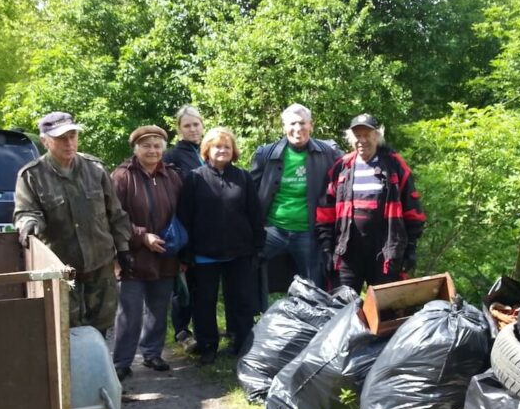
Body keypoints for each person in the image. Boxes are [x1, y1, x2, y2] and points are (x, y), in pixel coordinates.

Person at [14, 111, 132, 333]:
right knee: (66, 332)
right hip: (61, 271)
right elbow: (25, 212)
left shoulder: (95, 169)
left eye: (72, 136)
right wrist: (29, 223)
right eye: (61, 138)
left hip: (100, 266)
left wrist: (124, 249)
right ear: (45, 141)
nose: (69, 143)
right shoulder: (31, 176)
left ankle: (96, 368)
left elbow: (115, 214)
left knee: (101, 330)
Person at [177, 128, 265, 364]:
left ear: (233, 150)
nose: (222, 150)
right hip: (205, 253)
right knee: (204, 302)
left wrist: (258, 245)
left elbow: (255, 214)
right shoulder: (194, 178)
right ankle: (208, 346)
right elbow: (185, 217)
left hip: (240, 252)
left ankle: (242, 344)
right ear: (207, 150)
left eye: (226, 146)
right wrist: (186, 255)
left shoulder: (244, 177)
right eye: (217, 146)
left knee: (241, 300)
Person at [316, 113, 426, 293]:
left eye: (367, 135)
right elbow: (325, 211)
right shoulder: (341, 167)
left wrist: (411, 248)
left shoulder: (394, 166)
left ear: (377, 136)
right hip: (347, 251)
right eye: (358, 135)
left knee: (385, 311)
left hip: (385, 251)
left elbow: (412, 210)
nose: (362, 140)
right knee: (342, 308)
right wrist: (327, 248)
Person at [109, 125, 182, 381]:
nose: (152, 150)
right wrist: (142, 236)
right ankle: (122, 361)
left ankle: (152, 353)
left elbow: (182, 213)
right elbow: (112, 215)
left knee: (159, 307)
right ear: (136, 148)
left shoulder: (172, 176)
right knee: (129, 310)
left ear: (164, 148)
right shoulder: (121, 176)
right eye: (147, 145)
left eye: (157, 145)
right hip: (132, 254)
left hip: (166, 253)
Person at [250, 103, 340, 303]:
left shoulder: (328, 153)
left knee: (313, 286)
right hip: (272, 230)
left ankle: (313, 327)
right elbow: (251, 193)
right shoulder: (266, 154)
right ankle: (255, 320)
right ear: (284, 127)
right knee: (250, 269)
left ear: (311, 125)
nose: (297, 129)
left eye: (302, 123)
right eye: (292, 124)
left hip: (307, 231)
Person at [163, 105, 206, 353]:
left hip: (207, 228)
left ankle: (203, 329)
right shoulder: (172, 156)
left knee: (201, 283)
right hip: (183, 225)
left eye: (196, 124)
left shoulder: (209, 149)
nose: (192, 129)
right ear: (179, 129)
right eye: (187, 125)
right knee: (183, 283)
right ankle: (182, 330)